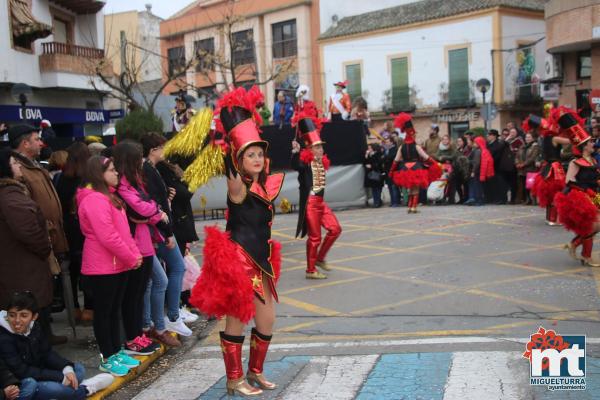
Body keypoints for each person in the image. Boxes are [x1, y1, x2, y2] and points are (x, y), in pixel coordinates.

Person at [190, 86, 284, 396]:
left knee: (267, 319)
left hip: (263, 261)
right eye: (250, 154)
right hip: (241, 262)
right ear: (239, 159)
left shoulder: (263, 186)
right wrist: (228, 137)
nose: (257, 159)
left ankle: (255, 372)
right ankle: (234, 378)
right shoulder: (238, 187)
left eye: (260, 153)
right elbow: (230, 164)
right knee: (237, 320)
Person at [77, 156, 143, 376]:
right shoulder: (94, 200)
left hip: (117, 264)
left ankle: (115, 351)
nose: (117, 174)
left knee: (114, 311)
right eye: (113, 170)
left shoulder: (109, 197)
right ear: (99, 173)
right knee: (104, 314)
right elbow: (108, 236)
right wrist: (131, 257)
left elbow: (124, 232)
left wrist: (134, 253)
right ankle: (107, 356)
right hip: (102, 266)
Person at [7, 124, 68, 345]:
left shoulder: (32, 165)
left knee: (45, 290)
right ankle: (40, 341)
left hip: (47, 236)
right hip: (37, 241)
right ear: (25, 143)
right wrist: (43, 234)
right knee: (35, 294)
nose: (40, 143)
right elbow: (25, 211)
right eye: (36, 139)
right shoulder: (18, 170)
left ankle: (45, 335)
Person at [0, 292, 114, 399]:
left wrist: (66, 369)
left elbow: (47, 353)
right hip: (23, 381)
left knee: (77, 369)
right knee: (45, 387)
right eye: (12, 315)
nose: (17, 321)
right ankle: (84, 389)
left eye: (23, 315)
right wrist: (60, 377)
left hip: (40, 372)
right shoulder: (4, 337)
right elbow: (22, 371)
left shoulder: (35, 327)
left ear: (34, 317)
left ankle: (71, 386)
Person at [113, 141, 164, 356]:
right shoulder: (123, 184)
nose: (141, 161)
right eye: (138, 157)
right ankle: (133, 338)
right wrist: (157, 212)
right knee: (133, 296)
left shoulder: (134, 181)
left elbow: (149, 205)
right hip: (134, 246)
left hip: (145, 244)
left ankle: (138, 336)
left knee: (140, 291)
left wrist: (154, 210)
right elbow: (142, 209)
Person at [140, 133, 192, 342]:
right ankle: (169, 317)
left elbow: (157, 200)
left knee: (157, 279)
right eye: (162, 147)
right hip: (158, 231)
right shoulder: (147, 170)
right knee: (173, 270)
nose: (164, 150)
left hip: (159, 229)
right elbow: (152, 203)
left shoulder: (151, 169)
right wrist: (167, 231)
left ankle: (161, 320)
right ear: (153, 149)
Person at [0, 149, 52, 318]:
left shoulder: (11, 194)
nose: (19, 167)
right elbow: (28, 231)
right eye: (15, 163)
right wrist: (45, 247)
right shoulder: (10, 197)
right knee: (28, 320)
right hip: (22, 270)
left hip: (19, 267)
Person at [291, 111, 342, 279]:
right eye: (318, 147)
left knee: (335, 229)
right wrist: (295, 152)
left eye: (321, 146)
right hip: (311, 204)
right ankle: (310, 270)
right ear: (310, 149)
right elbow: (296, 165)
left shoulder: (321, 162)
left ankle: (320, 259)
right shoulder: (305, 164)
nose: (321, 149)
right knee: (315, 238)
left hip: (321, 203)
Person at [554, 108, 600, 267]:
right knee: (592, 225)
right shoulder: (576, 162)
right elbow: (569, 181)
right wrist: (586, 191)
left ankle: (575, 245)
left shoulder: (593, 161)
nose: (593, 143)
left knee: (595, 226)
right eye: (590, 142)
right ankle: (585, 255)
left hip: (595, 195)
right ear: (584, 146)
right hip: (581, 196)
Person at [55, 143, 93, 324]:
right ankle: (89, 308)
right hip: (85, 230)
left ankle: (74, 308)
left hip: (67, 230)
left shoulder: (60, 178)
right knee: (88, 270)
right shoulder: (88, 180)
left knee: (71, 271)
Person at [389, 113, 442, 213]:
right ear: (412, 135)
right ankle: (413, 207)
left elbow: (395, 161)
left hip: (405, 169)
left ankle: (409, 207)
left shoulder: (401, 147)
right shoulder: (417, 147)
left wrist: (391, 171)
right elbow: (426, 157)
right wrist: (435, 164)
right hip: (416, 168)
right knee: (415, 188)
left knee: (410, 189)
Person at [524, 114, 572, 224]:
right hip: (555, 168)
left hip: (547, 167)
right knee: (557, 192)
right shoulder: (554, 138)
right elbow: (569, 141)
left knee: (550, 194)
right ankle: (554, 219)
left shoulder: (544, 138)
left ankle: (550, 219)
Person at [465, 136, 494, 206]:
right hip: (479, 172)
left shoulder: (477, 151)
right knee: (478, 186)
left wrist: (473, 171)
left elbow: (476, 163)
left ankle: (478, 200)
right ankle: (477, 199)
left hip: (476, 172)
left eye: (475, 142)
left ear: (479, 143)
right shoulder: (482, 150)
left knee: (476, 186)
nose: (474, 144)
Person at [516, 132, 540, 205]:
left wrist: (524, 164)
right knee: (523, 185)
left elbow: (532, 157)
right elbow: (517, 156)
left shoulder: (535, 146)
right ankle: (527, 199)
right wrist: (517, 163)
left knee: (530, 185)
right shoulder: (522, 146)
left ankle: (533, 199)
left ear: (532, 138)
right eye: (526, 137)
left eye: (529, 137)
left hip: (530, 169)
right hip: (522, 170)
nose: (527, 139)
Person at [435, 135, 456, 203]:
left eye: (446, 139)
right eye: (443, 139)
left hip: (450, 168)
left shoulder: (452, 148)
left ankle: (451, 199)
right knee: (441, 182)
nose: (445, 141)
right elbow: (437, 156)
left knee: (451, 183)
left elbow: (453, 156)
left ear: (448, 140)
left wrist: (444, 157)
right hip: (441, 168)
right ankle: (440, 198)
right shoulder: (440, 148)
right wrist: (441, 158)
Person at [381, 133, 400, 206]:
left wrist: (385, 158)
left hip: (394, 170)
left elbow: (391, 157)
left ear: (391, 142)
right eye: (385, 142)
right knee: (389, 187)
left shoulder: (394, 149)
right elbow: (383, 159)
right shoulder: (386, 150)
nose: (386, 143)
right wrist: (385, 158)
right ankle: (392, 201)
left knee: (394, 186)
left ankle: (396, 202)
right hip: (387, 170)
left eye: (388, 142)